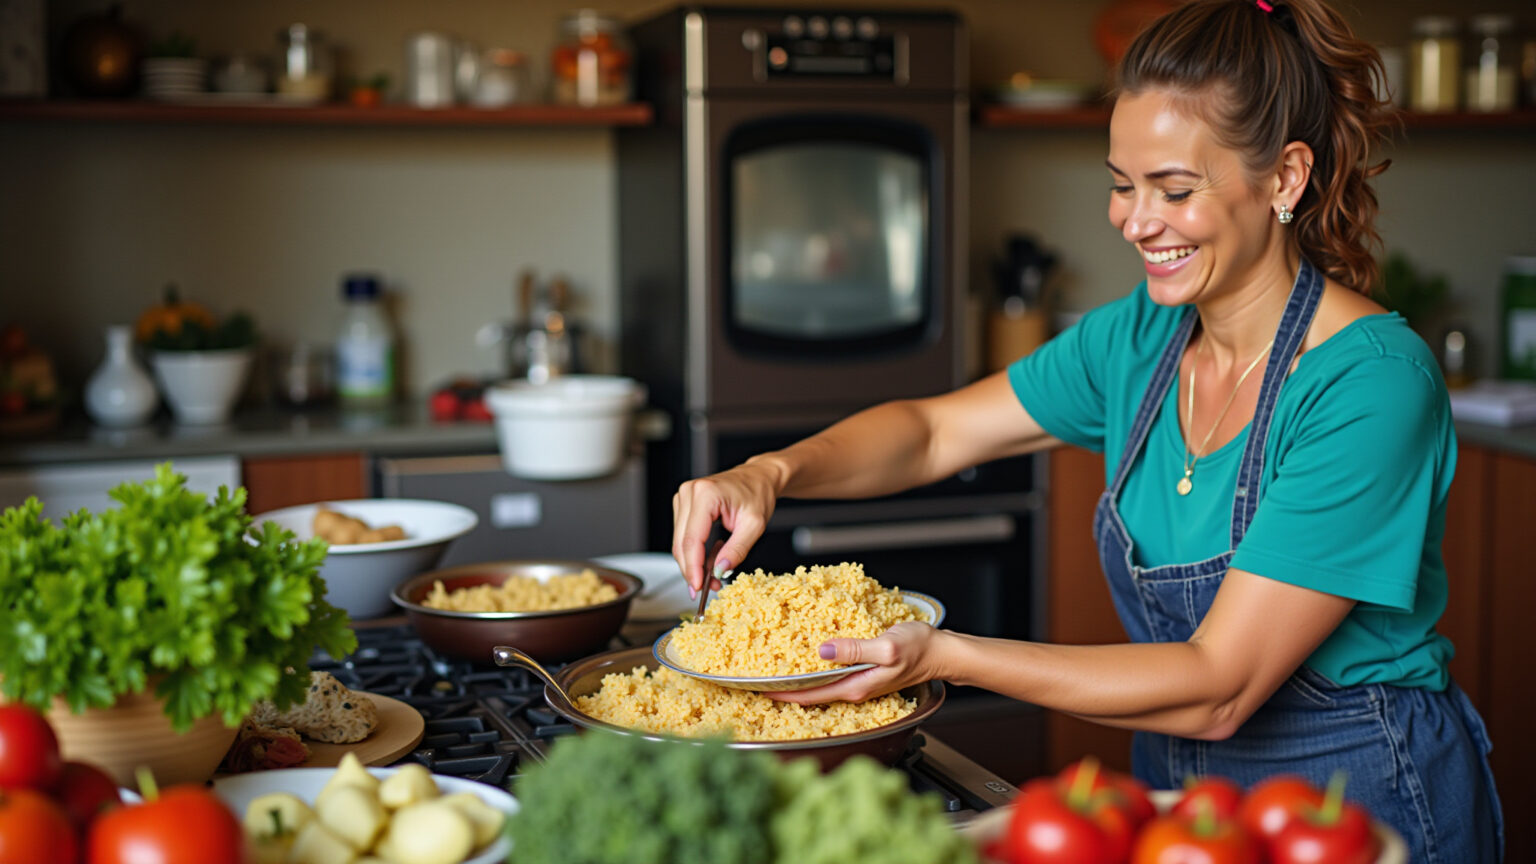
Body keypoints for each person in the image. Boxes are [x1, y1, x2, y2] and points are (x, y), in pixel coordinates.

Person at [669, 1, 1504, 860]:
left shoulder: (1367, 385)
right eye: (1121, 182)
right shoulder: (1139, 337)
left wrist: (943, 655)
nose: (1135, 221)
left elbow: (1220, 686)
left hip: (1352, 799)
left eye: (1175, 190)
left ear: (1286, 178)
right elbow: (928, 433)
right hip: (1182, 799)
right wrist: (770, 471)